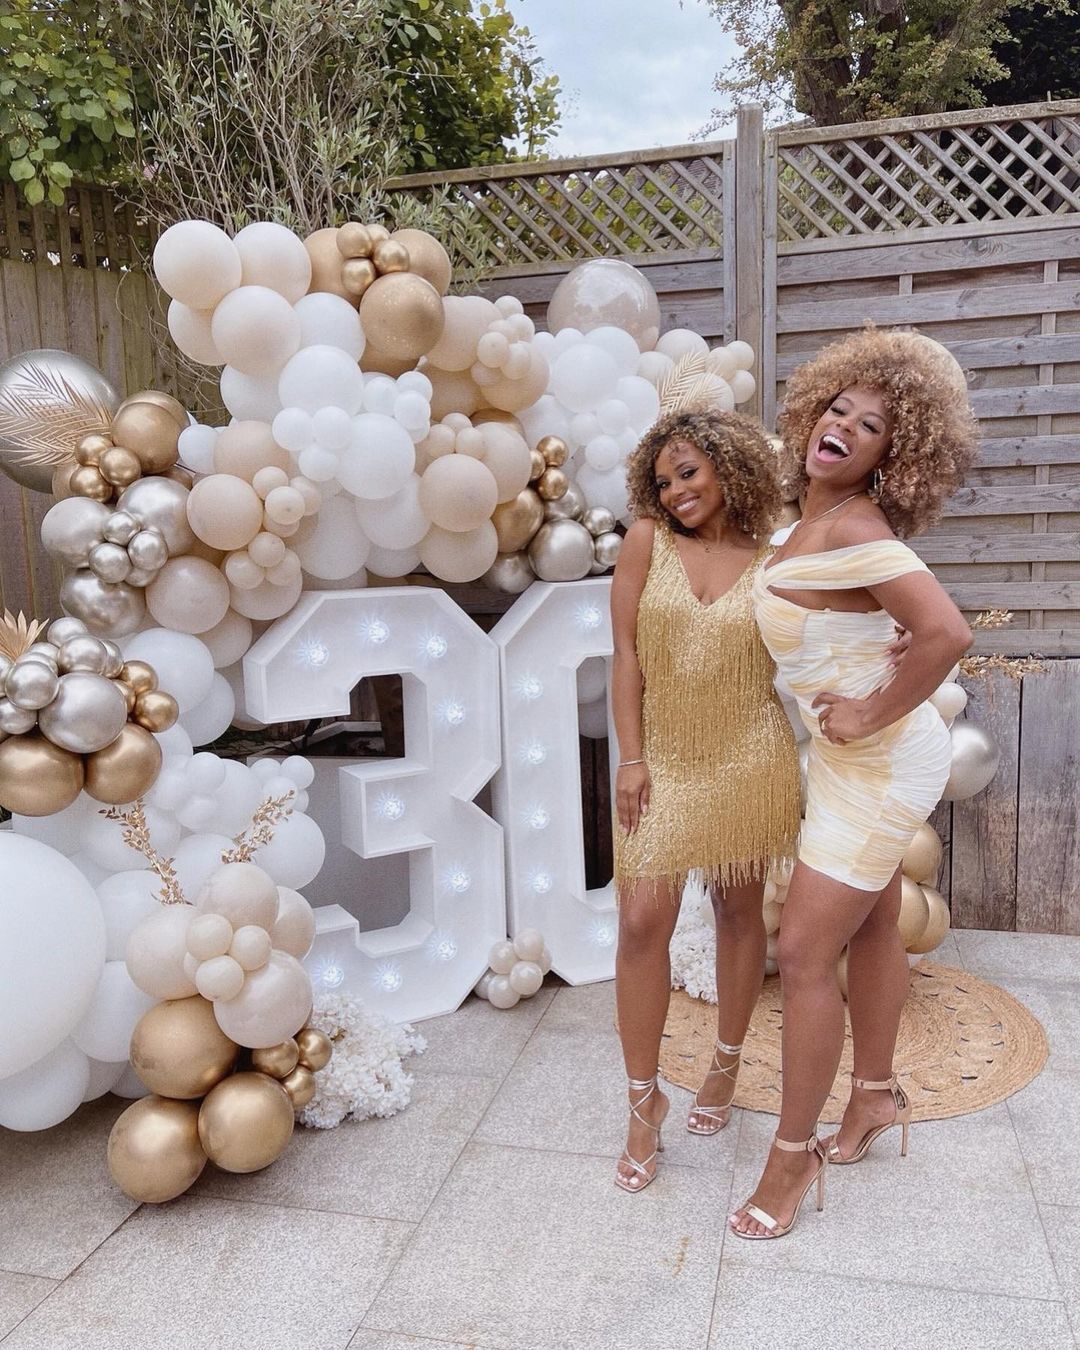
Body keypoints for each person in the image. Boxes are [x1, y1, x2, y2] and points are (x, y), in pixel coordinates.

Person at [729, 327, 978, 1240]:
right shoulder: (804, 526)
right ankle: (872, 1095)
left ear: (891, 458)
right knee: (871, 921)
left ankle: (790, 1159)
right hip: (844, 762)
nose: (844, 427)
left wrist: (872, 712)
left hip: (883, 762)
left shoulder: (859, 530)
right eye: (838, 409)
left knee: (801, 953)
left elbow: (947, 632)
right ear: (811, 412)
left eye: (872, 426)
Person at [610, 407, 802, 1193]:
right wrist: (631, 758)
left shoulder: (773, 560)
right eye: (662, 481)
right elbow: (624, 656)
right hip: (661, 760)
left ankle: (725, 1062)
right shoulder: (645, 542)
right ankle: (642, 1101)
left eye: (688, 471)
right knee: (640, 921)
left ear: (728, 466)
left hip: (749, 756)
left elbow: (819, 641)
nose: (675, 491)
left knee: (738, 911)